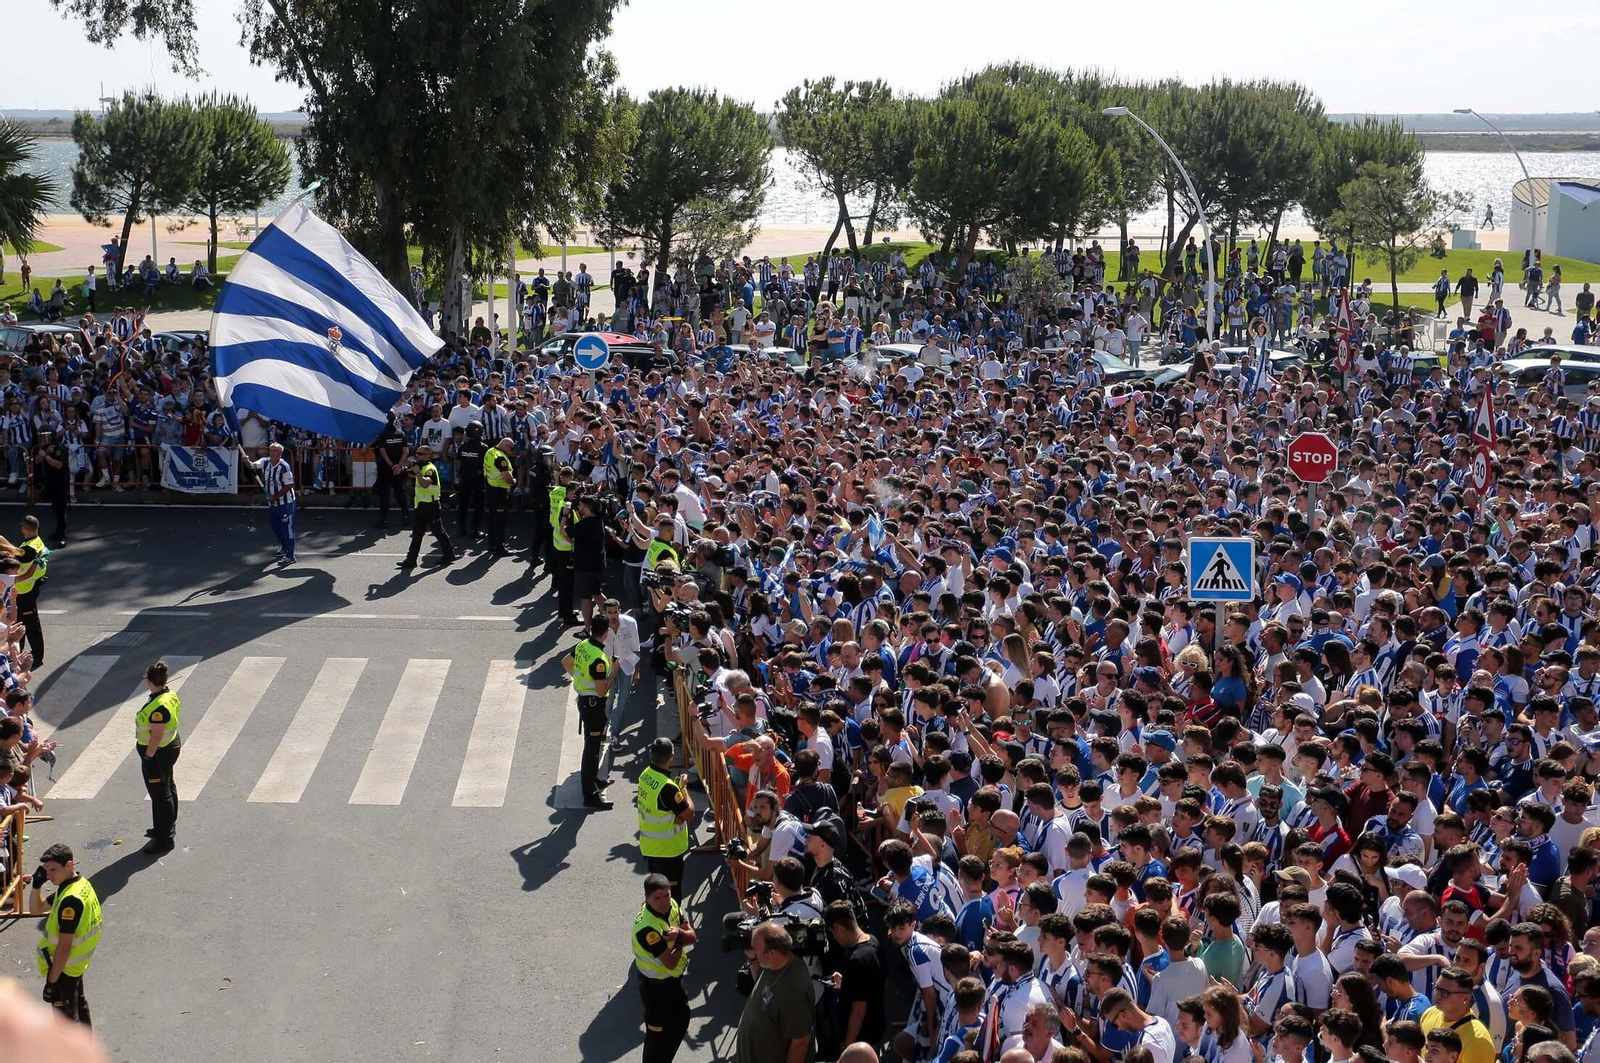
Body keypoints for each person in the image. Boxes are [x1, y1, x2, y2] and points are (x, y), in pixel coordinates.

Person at [35, 843, 102, 1027]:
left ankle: (76, 1055)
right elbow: (36, 909)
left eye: (53, 870)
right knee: (79, 1007)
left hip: (63, 968)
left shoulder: (70, 901)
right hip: (74, 967)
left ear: (69, 865)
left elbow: (64, 947)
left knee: (67, 1023)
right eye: (46, 871)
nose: (49, 876)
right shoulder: (77, 884)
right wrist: (36, 886)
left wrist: (51, 982)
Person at [633, 873, 695, 1063]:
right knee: (657, 1040)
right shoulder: (647, 928)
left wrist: (681, 935)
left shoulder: (673, 905)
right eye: (657, 898)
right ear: (647, 899)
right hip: (655, 989)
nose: (663, 902)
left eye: (666, 895)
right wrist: (679, 938)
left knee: (682, 1019)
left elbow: (692, 937)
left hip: (673, 983)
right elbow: (670, 962)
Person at [736, 921, 816, 1063]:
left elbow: (801, 1041)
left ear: (772, 953)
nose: (753, 952)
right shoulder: (771, 964)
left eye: (756, 949)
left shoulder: (795, 991)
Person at [563, 614, 613, 809]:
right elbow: (603, 689)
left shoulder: (583, 645)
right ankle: (590, 794)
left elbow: (566, 662)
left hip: (585, 700)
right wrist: (615, 670)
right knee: (592, 750)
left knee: (593, 746)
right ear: (606, 633)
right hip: (594, 705)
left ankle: (593, 780)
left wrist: (581, 680)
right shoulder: (599, 658)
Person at [134, 659, 182, 853]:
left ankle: (165, 839)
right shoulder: (168, 693)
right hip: (168, 747)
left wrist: (148, 758)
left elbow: (156, 735)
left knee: (160, 796)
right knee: (167, 786)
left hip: (158, 753)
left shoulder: (159, 708)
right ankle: (166, 826)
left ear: (149, 680)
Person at [637, 738, 694, 898]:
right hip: (668, 850)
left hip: (651, 846)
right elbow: (689, 813)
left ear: (651, 754)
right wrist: (684, 790)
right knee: (671, 896)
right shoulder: (668, 787)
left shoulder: (645, 775)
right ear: (672, 756)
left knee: (656, 891)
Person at [0, 515, 49, 667]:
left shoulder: (29, 550)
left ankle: (37, 657)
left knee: (31, 625)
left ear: (24, 528)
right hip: (25, 590)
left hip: (25, 591)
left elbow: (17, 555)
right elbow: (17, 551)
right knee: (18, 623)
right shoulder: (34, 542)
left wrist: (2, 541)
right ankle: (16, 654)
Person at [397, 443, 454, 569]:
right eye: (416, 453)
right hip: (421, 506)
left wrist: (417, 474)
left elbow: (425, 483)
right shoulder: (421, 466)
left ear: (428, 456)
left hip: (431, 506)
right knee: (417, 533)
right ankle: (411, 559)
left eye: (420, 454)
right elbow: (410, 473)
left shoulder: (430, 469)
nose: (417, 455)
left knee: (438, 532)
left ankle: (449, 554)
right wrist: (403, 469)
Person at [243, 441, 297, 564]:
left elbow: (290, 485)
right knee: (276, 526)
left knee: (287, 528)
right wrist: (247, 461)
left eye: (274, 451)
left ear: (280, 453)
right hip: (273, 503)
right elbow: (253, 466)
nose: (271, 453)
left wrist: (275, 496)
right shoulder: (265, 462)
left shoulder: (284, 467)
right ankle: (284, 547)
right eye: (270, 450)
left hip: (285, 502)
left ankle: (290, 555)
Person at [369, 411, 410, 529]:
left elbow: (382, 451)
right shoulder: (400, 433)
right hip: (398, 469)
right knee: (399, 492)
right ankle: (406, 517)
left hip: (386, 469)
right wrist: (398, 465)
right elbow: (405, 452)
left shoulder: (383, 434)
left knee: (385, 494)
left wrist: (391, 465)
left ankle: (384, 520)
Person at [549, 467, 578, 625]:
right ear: (570, 492)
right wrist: (575, 544)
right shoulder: (567, 509)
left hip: (559, 547)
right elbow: (563, 530)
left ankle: (565, 611)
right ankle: (566, 615)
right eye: (576, 493)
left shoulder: (563, 503)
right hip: (566, 550)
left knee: (563, 583)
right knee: (567, 586)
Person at [34, 431, 69, 546]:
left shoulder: (60, 449)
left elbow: (59, 465)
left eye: (45, 437)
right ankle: (57, 531)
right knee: (54, 506)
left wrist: (46, 456)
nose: (43, 440)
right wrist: (42, 454)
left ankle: (61, 534)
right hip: (50, 481)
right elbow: (37, 461)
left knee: (60, 508)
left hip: (60, 481)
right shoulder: (44, 448)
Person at [454, 422, 487, 542]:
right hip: (478, 481)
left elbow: (458, 461)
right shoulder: (483, 448)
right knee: (478, 506)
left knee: (463, 504)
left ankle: (461, 529)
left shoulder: (463, 447)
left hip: (465, 479)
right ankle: (475, 530)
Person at [483, 435, 514, 557]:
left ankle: (492, 545)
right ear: (506, 445)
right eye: (511, 449)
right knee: (500, 522)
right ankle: (499, 548)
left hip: (490, 489)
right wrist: (514, 481)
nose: (511, 452)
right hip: (499, 492)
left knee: (491, 520)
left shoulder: (490, 452)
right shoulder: (500, 457)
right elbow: (507, 477)